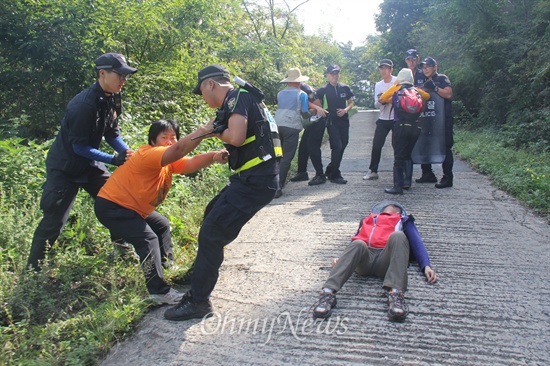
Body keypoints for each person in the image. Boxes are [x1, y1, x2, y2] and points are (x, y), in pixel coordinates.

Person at [164, 65, 280, 321]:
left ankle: (198, 301)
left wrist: (215, 131)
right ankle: (199, 274)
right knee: (210, 214)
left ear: (210, 84)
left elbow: (236, 137)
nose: (203, 98)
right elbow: (206, 134)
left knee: (212, 234)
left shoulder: (239, 98)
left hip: (255, 182)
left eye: (201, 91)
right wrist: (163, 157)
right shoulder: (234, 102)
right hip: (250, 179)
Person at [94, 119, 228, 304]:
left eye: (174, 137)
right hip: (114, 206)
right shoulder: (149, 154)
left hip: (132, 207)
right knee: (147, 240)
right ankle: (158, 291)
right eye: (164, 137)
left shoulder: (167, 160)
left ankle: (167, 266)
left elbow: (188, 164)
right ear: (153, 140)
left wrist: (214, 156)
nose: (170, 141)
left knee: (161, 224)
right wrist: (205, 130)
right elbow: (180, 150)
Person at [26, 52, 137, 270]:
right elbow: (79, 147)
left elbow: (111, 134)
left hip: (89, 164)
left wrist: (127, 153)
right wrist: (113, 159)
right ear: (102, 73)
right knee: (53, 222)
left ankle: (122, 251)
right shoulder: (83, 105)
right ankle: (32, 271)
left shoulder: (112, 98)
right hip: (65, 168)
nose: (123, 80)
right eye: (120, 75)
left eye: (125, 76)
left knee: (118, 201)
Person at [310, 201, 437, 321]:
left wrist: (426, 266)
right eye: (387, 210)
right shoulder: (369, 220)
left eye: (394, 210)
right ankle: (327, 293)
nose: (390, 211)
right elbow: (355, 241)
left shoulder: (404, 221)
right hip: (365, 260)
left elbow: (417, 243)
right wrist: (343, 259)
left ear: (400, 213)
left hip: (386, 261)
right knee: (359, 243)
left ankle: (396, 293)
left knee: (398, 236)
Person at [380, 69, 430, 194]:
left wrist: (393, 98)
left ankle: (397, 186)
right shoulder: (417, 91)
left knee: (398, 156)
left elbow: (383, 98)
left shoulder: (397, 88)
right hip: (415, 127)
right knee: (408, 154)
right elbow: (427, 96)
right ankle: (407, 182)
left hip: (401, 126)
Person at [417, 57, 454, 188]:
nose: (425, 69)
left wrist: (436, 88)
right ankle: (427, 174)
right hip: (428, 119)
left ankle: (447, 177)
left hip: (443, 119)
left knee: (445, 147)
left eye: (428, 66)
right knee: (424, 145)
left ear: (435, 67)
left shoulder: (442, 78)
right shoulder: (423, 81)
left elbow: (449, 94)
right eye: (423, 67)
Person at [273, 68, 311, 198]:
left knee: (277, 156)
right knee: (286, 158)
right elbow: (304, 113)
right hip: (292, 127)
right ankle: (278, 187)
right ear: (299, 82)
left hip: (277, 125)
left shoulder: (280, 93)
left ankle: (271, 184)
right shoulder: (302, 94)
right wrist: (311, 115)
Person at [316, 65, 354, 184]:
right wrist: (320, 110)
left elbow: (351, 102)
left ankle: (331, 168)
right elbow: (314, 102)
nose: (335, 76)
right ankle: (335, 174)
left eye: (337, 73)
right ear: (327, 75)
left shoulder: (344, 87)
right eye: (332, 74)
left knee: (344, 144)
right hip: (331, 121)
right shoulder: (323, 90)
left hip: (344, 120)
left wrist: (346, 110)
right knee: (336, 146)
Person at [364, 59, 397, 181]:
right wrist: (382, 100)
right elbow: (376, 104)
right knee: (377, 145)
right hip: (383, 118)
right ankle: (373, 170)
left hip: (396, 118)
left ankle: (399, 171)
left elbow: (400, 100)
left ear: (391, 69)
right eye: (382, 68)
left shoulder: (397, 81)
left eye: (386, 68)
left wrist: (387, 99)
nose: (384, 71)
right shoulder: (378, 85)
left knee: (397, 145)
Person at [289, 84, 328, 186]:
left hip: (318, 121)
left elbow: (318, 107)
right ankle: (302, 173)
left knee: (313, 147)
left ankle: (320, 175)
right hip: (310, 122)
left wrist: (310, 108)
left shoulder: (306, 89)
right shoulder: (294, 90)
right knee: (303, 147)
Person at [403, 49, 427, 187]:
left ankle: (427, 172)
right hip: (406, 117)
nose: (411, 62)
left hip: (422, 114)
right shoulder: (403, 74)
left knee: (424, 142)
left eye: (413, 59)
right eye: (408, 59)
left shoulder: (423, 73)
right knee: (406, 147)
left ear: (418, 59)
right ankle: (407, 176)